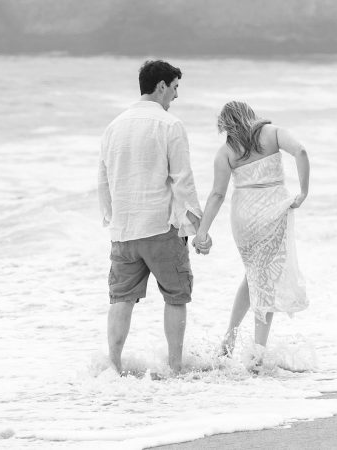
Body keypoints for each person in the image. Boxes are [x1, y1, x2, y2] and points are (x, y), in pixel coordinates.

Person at [98, 60, 205, 375]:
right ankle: (175, 368)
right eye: (174, 88)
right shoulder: (170, 125)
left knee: (121, 299)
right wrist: (198, 228)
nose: (175, 96)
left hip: (124, 231)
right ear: (161, 86)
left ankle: (113, 369)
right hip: (161, 229)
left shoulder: (113, 126)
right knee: (176, 296)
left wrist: (112, 220)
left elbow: (102, 181)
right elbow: (183, 181)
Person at [194, 101, 310, 371]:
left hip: (244, 216)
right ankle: (257, 355)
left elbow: (217, 195)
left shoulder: (225, 152)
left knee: (254, 274)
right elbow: (301, 151)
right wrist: (303, 192)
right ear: (250, 115)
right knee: (264, 280)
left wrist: (202, 231)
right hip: (273, 212)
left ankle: (229, 340)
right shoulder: (273, 133)